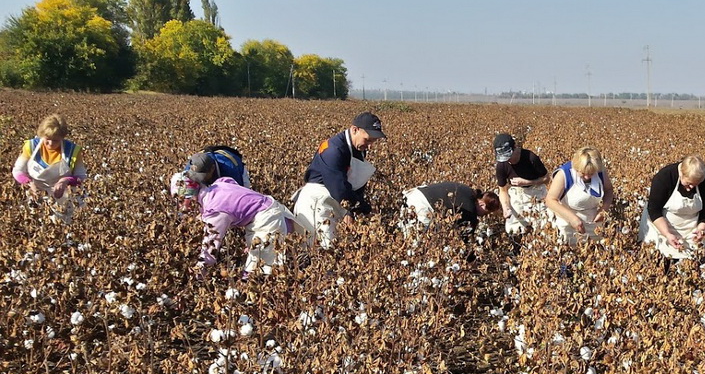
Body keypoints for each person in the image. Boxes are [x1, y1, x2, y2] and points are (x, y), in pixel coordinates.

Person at [171, 171, 296, 277]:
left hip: (267, 219)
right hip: (270, 208)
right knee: (262, 260)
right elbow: (230, 183)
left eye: (181, 201)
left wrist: (199, 271)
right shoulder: (218, 186)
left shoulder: (214, 210)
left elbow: (211, 246)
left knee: (257, 271)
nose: (181, 207)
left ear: (190, 197)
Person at [293, 112, 385, 248]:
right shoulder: (333, 150)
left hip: (335, 201)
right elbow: (339, 188)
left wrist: (351, 211)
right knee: (324, 249)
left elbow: (353, 184)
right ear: (355, 130)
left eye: (373, 141)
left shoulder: (358, 148)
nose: (370, 145)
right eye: (368, 139)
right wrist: (363, 208)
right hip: (317, 203)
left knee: (339, 248)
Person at [12, 113, 87, 223]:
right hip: (36, 194)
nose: (51, 143)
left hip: (64, 198)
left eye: (56, 140)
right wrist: (29, 183)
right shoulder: (31, 146)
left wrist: (65, 181)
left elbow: (81, 176)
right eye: (48, 138)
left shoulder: (72, 151)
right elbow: (17, 171)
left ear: (62, 137)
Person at [638, 156, 705, 260]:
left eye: (695, 184)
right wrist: (667, 234)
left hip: (691, 228)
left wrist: (701, 229)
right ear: (681, 174)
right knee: (660, 259)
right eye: (688, 184)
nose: (691, 188)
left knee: (698, 259)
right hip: (661, 225)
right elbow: (654, 210)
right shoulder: (665, 177)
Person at [544, 147, 614, 245]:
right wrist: (572, 218)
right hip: (567, 225)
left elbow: (609, 190)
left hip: (593, 224)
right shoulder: (564, 174)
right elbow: (550, 200)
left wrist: (603, 210)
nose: (587, 177)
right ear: (576, 167)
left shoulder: (600, 172)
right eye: (583, 173)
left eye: (591, 173)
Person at [493, 133, 550, 234]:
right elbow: (503, 190)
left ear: (515, 147)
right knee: (514, 229)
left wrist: (527, 182)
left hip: (536, 192)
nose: (508, 160)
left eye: (509, 156)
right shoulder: (501, 165)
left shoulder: (531, 158)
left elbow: (547, 178)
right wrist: (505, 207)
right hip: (517, 194)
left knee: (542, 226)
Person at [401, 182, 502, 239]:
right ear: (482, 205)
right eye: (486, 213)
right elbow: (464, 237)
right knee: (417, 242)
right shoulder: (469, 210)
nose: (483, 216)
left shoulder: (468, 191)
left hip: (413, 195)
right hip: (421, 206)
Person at [183, 146, 250, 187]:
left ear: (212, 168)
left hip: (237, 166)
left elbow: (239, 192)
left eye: (202, 176)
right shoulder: (191, 165)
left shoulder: (231, 171)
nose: (199, 179)